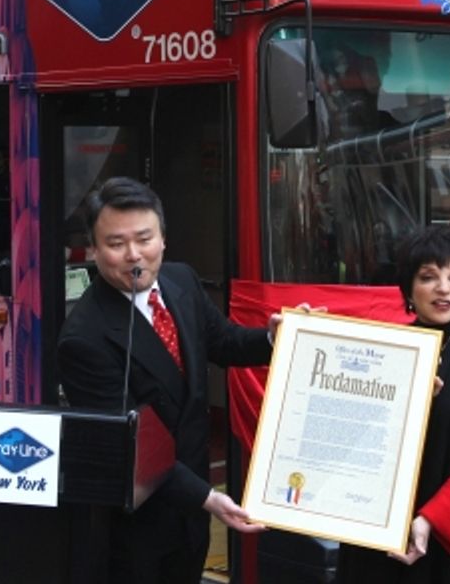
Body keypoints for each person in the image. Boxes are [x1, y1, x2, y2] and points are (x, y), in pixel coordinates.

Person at [56, 177, 281, 584]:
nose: (133, 255)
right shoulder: (83, 337)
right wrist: (208, 497)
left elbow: (224, 342)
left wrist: (273, 337)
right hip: (135, 523)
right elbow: (132, 444)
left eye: (144, 238)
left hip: (191, 513)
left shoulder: (181, 281)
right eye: (116, 243)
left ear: (163, 239)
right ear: (92, 250)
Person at [336, 224, 450, 584]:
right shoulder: (382, 353)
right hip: (380, 539)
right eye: (428, 277)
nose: (444, 289)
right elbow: (354, 441)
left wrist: (430, 520)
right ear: (408, 288)